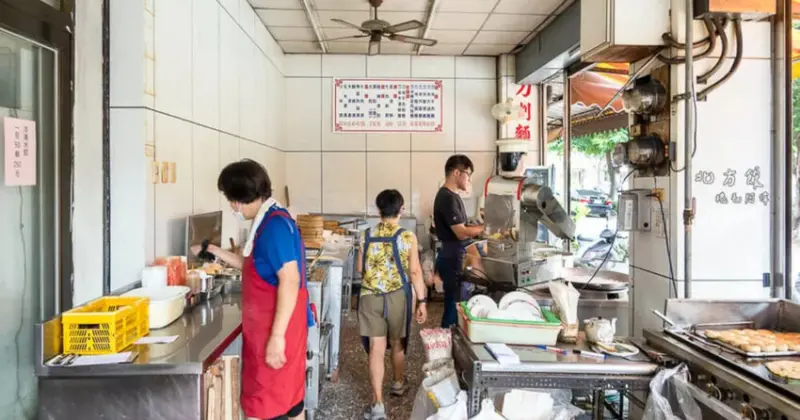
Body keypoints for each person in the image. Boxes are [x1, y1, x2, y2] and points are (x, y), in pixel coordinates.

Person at [194, 159, 313, 420]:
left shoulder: (273, 228)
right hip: (275, 329)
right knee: (291, 403)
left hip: (276, 330)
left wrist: (277, 337)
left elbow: (290, 280)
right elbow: (251, 265)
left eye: (229, 198)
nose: (230, 206)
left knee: (263, 407)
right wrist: (215, 251)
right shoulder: (270, 219)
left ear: (238, 198)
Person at [357, 189, 428, 420]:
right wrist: (422, 301)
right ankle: (398, 383)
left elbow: (360, 269)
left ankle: (377, 403)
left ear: (378, 211)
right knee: (397, 343)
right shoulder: (407, 237)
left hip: (370, 297)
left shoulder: (365, 235)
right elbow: (415, 272)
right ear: (401, 210)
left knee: (376, 349)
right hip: (397, 296)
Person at [433, 155, 484, 328]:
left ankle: (452, 341)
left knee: (458, 303)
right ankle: (447, 343)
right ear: (456, 172)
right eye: (468, 174)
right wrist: (486, 228)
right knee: (453, 305)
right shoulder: (447, 198)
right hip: (452, 256)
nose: (469, 179)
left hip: (455, 255)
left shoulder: (453, 196)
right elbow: (461, 233)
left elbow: (464, 227)